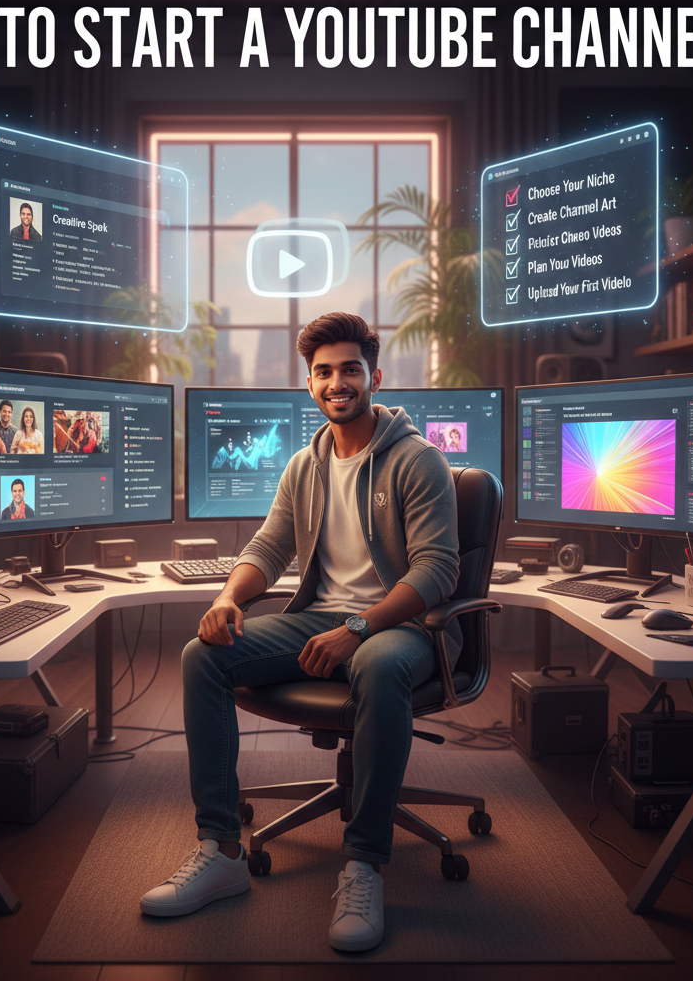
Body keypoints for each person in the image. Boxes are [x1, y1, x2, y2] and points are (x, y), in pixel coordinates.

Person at [140, 312, 459, 953]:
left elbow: (438, 571)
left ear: (374, 374)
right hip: (321, 619)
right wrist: (230, 597)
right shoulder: (303, 466)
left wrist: (359, 627)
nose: (336, 382)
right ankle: (221, 850)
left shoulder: (417, 460)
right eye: (323, 372)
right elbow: (269, 546)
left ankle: (364, 864)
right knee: (204, 655)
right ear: (308, 382)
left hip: (403, 626)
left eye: (349, 369)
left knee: (376, 665)